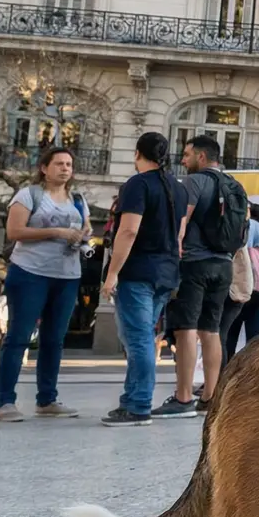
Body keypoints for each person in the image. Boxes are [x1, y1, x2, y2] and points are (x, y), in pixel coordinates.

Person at [0, 146, 89, 422]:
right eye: (59, 163)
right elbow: (14, 231)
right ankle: (5, 402)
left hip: (67, 275)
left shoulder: (78, 199)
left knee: (54, 339)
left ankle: (47, 398)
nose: (65, 168)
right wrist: (57, 231)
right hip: (30, 272)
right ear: (44, 168)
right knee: (18, 337)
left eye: (69, 164)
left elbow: (84, 231)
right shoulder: (30, 195)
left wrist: (82, 236)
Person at [100, 133, 186, 426]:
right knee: (143, 337)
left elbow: (128, 231)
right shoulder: (177, 187)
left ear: (138, 153)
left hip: (138, 271)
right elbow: (179, 237)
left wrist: (112, 273)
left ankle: (138, 405)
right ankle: (130, 399)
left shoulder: (137, 185)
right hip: (166, 271)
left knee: (138, 340)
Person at [154, 135, 236, 419]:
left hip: (195, 262)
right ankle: (211, 398)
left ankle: (183, 396)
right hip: (224, 264)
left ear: (201, 157)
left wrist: (174, 250)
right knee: (212, 330)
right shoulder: (235, 185)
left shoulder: (194, 182)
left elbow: (182, 219)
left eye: (187, 155)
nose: (183, 160)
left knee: (186, 328)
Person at [219, 203, 259, 365]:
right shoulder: (256, 226)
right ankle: (251, 382)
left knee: (227, 337)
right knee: (256, 342)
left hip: (237, 288)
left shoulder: (226, 224)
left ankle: (222, 380)